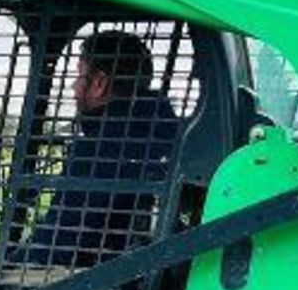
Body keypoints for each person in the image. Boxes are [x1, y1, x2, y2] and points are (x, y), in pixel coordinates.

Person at [11, 29, 181, 271]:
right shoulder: (172, 140)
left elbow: (56, 248)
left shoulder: (98, 150)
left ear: (99, 83)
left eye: (79, 76)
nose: (73, 87)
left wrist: (4, 268)